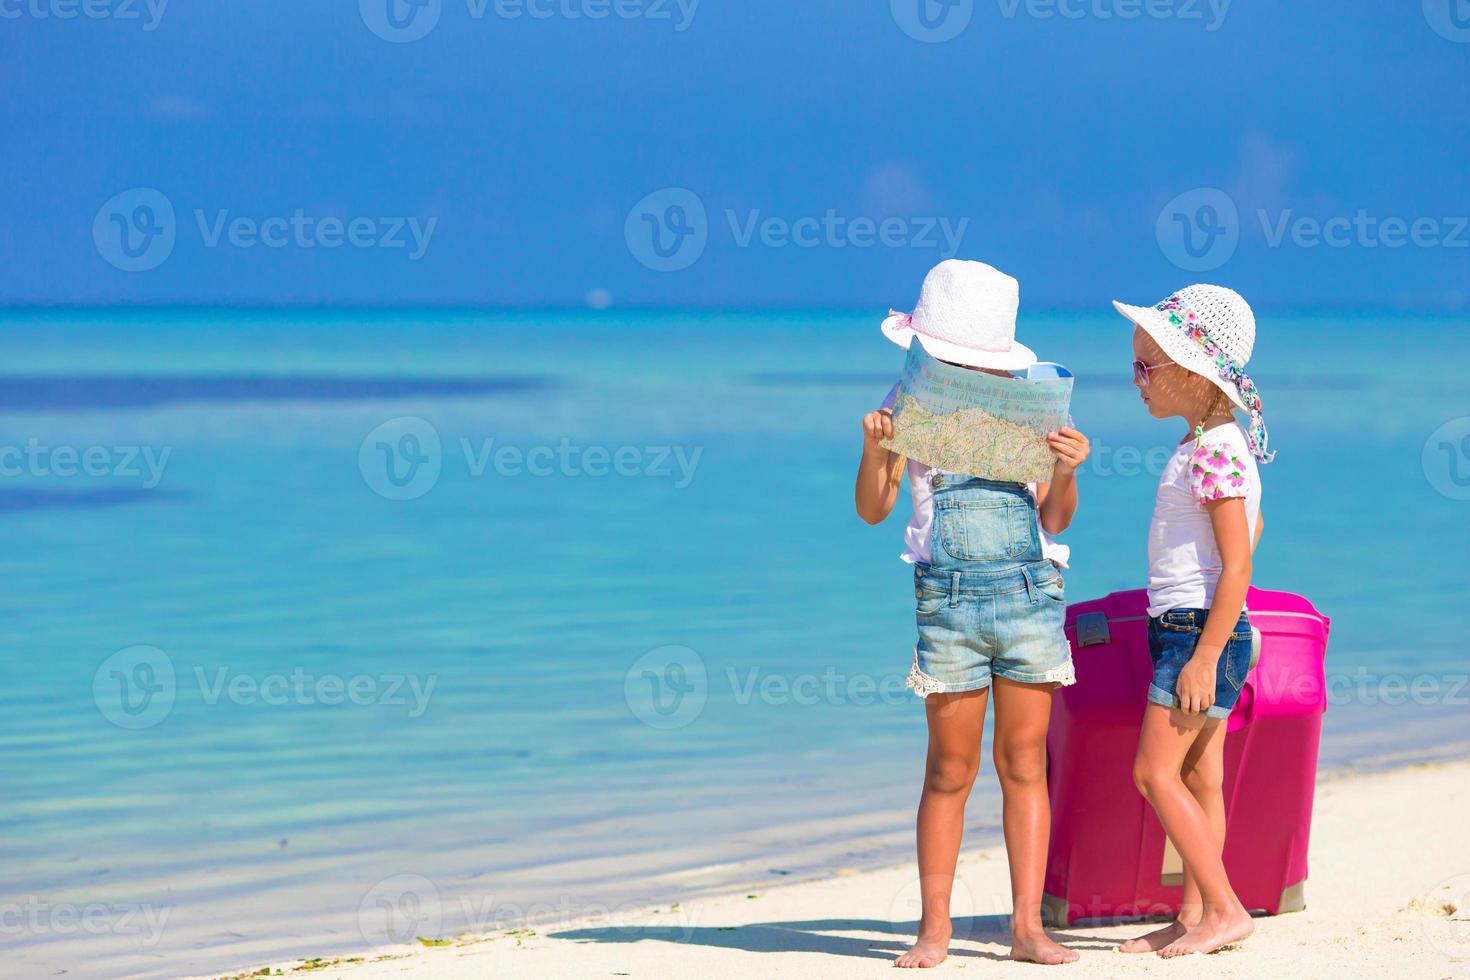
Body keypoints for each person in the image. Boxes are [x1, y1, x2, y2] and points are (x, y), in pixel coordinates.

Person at [855, 259, 1089, 967]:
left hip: (1030, 599)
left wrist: (1070, 469)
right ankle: (935, 928)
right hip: (949, 606)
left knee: (1024, 763)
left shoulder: (1035, 406)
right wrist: (876, 449)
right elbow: (874, 510)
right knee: (948, 770)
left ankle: (1026, 927)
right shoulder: (905, 404)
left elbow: (1053, 515)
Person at [1111, 285, 1274, 957]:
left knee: (1153, 773)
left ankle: (1227, 909)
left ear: (1192, 371)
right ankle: (1195, 914)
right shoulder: (1213, 442)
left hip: (1193, 634)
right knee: (1200, 776)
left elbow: (1237, 563)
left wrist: (1206, 654)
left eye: (1147, 367)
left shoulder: (1211, 448)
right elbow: (1254, 528)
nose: (1136, 381)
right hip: (1195, 627)